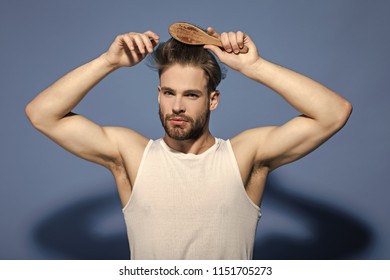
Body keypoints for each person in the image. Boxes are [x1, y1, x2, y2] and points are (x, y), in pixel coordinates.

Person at [25, 26, 352, 260]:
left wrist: (256, 67)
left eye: (191, 95)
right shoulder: (132, 155)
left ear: (213, 100)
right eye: (169, 93)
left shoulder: (245, 155)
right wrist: (107, 62)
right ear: (159, 94)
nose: (177, 107)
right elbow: (42, 114)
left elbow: (333, 113)